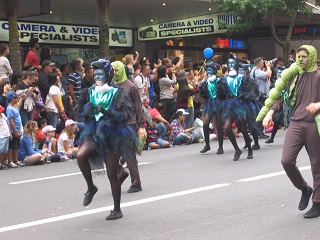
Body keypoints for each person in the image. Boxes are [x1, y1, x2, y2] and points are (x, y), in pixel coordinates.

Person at [258, 45, 320, 218]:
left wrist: (318, 105)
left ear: (312, 58)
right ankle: (304, 189)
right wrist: (270, 112)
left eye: (304, 56)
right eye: (298, 56)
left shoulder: (318, 75)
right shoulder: (294, 76)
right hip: (295, 123)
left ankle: (318, 202)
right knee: (286, 161)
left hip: (314, 124)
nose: (300, 59)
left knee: (317, 164)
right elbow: (281, 95)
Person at [75, 59, 139, 220]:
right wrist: (89, 113)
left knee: (111, 174)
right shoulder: (90, 91)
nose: (97, 76)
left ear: (107, 75)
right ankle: (91, 187)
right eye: (95, 73)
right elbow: (82, 112)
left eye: (100, 74)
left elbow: (124, 116)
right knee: (80, 155)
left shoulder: (117, 93)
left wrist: (106, 111)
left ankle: (117, 209)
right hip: (94, 132)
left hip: (113, 134)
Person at [111, 60, 146, 193]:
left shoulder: (130, 86)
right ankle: (121, 172)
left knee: (129, 154)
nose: (114, 72)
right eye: (112, 70)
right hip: (115, 122)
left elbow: (138, 107)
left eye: (116, 69)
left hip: (129, 123)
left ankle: (136, 183)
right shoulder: (112, 86)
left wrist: (141, 125)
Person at [6, 91, 24, 168]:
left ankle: (15, 159)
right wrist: (15, 131)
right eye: (16, 98)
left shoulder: (15, 107)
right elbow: (11, 121)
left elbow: (19, 105)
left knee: (16, 145)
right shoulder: (9, 109)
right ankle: (10, 161)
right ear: (13, 99)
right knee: (11, 146)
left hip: (18, 129)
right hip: (13, 130)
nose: (17, 99)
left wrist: (22, 98)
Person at [0, 105, 10, 170]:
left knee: (5, 150)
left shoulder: (3, 115)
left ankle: (2, 162)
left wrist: (10, 133)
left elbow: (7, 123)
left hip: (6, 135)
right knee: (0, 150)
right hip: (1, 136)